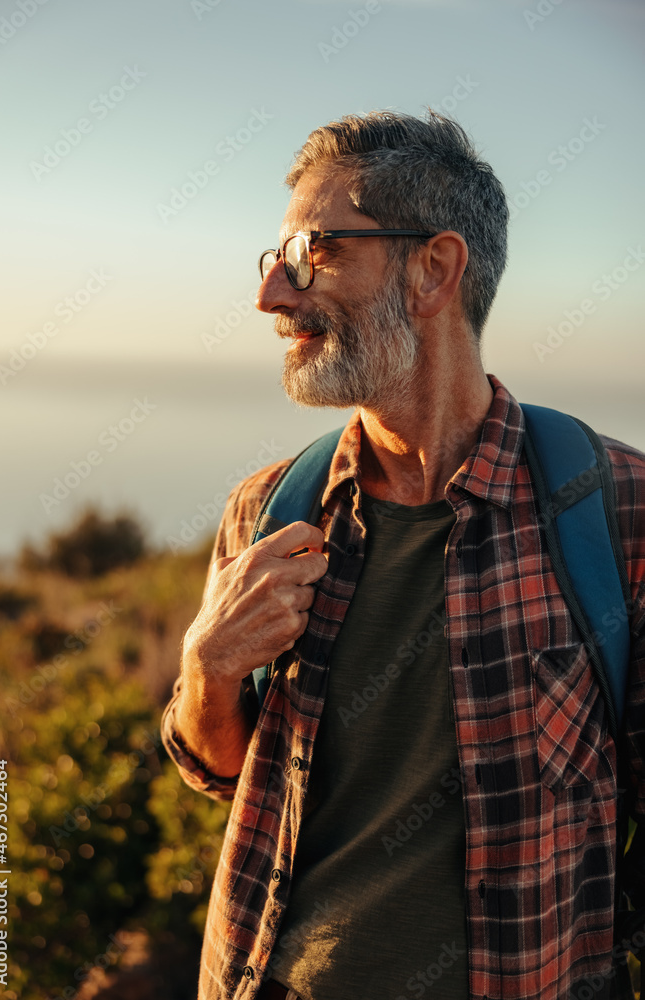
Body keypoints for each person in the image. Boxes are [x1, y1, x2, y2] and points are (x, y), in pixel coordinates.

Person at [161, 110, 645, 1000]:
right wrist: (207, 668)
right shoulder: (266, 513)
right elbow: (218, 772)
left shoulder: (616, 510)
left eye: (312, 253)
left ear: (433, 270)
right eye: (274, 262)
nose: (273, 296)